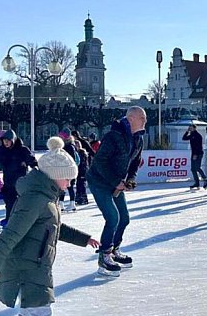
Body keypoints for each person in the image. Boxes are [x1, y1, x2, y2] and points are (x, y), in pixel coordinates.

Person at [0, 136, 101, 316]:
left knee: (30, 312)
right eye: (67, 178)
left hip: (35, 262)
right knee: (40, 313)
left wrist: (84, 239)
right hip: (27, 265)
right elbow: (12, 232)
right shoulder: (36, 198)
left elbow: (54, 227)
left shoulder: (47, 197)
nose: (69, 184)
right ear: (54, 175)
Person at [87, 107, 146, 275]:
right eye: (142, 117)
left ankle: (114, 250)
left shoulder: (138, 139)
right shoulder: (113, 136)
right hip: (99, 181)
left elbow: (135, 163)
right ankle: (104, 256)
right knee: (113, 217)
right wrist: (115, 181)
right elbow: (99, 162)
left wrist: (130, 180)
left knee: (124, 218)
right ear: (131, 118)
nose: (145, 121)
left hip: (116, 183)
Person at [57, 128, 80, 212]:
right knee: (66, 187)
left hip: (68, 169)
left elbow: (71, 159)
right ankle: (65, 204)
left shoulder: (68, 146)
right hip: (68, 168)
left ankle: (69, 203)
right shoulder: (69, 145)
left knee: (66, 186)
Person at [183, 124, 207, 190]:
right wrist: (187, 132)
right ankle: (197, 183)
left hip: (198, 153)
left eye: (191, 128)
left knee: (197, 167)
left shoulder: (198, 135)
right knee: (193, 169)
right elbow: (184, 138)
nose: (190, 129)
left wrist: (196, 154)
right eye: (189, 128)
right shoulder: (191, 135)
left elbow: (199, 146)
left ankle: (205, 179)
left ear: (194, 128)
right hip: (193, 153)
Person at [73, 140, 90, 205]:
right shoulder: (78, 153)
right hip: (80, 171)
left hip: (82, 171)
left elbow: (83, 164)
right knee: (79, 184)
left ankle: (83, 198)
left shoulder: (82, 153)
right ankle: (79, 197)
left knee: (82, 185)